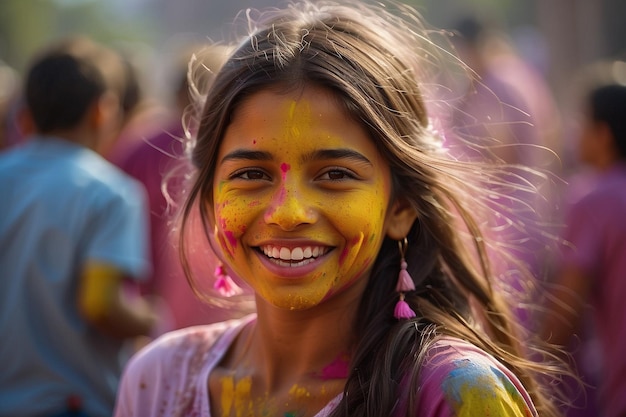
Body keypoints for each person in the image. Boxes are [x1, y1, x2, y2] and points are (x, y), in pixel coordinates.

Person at [114, 2, 568, 416]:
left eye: (335, 175)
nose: (288, 212)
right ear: (212, 200)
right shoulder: (159, 380)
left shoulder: (455, 394)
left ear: (401, 207)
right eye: (252, 175)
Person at [0, 36, 158, 417]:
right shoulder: (112, 194)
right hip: (72, 401)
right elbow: (101, 303)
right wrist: (151, 319)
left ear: (27, 114)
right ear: (102, 111)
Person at [110, 43, 241, 333]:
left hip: (154, 308)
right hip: (232, 309)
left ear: (178, 92)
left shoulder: (138, 146)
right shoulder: (240, 146)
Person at [539, 83, 626, 417]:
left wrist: (529, 362)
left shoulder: (592, 199)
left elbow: (566, 307)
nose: (574, 131)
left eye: (581, 122)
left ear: (602, 134)